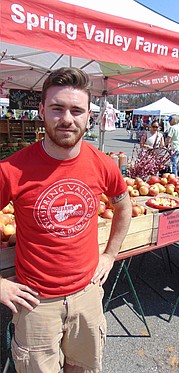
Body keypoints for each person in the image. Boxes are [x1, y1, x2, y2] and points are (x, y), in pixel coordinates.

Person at [0, 67, 132, 373]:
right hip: (35, 303)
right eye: (57, 108)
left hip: (87, 294)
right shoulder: (11, 170)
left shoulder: (103, 164)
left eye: (77, 110)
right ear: (42, 110)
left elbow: (123, 207)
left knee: (82, 368)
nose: (67, 119)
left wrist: (110, 255)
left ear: (89, 117)